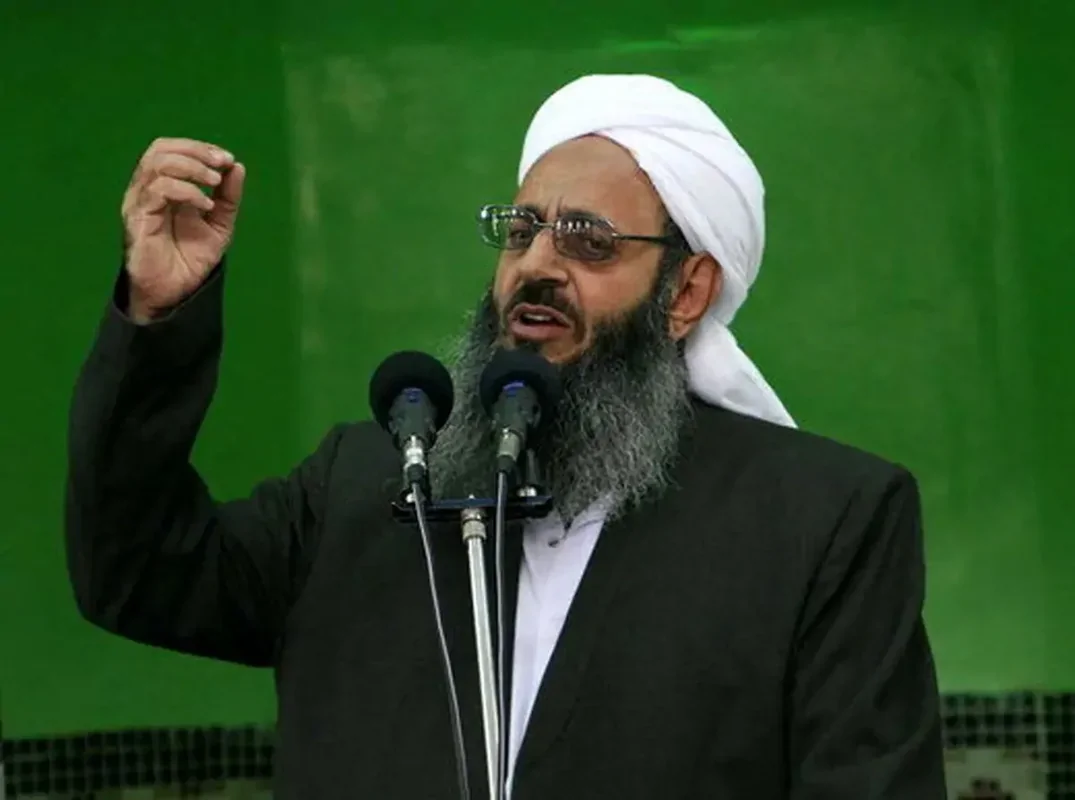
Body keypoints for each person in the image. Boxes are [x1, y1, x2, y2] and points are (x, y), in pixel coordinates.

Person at [66, 74, 947, 799]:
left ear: (685, 294)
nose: (535, 266)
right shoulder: (368, 479)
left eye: (588, 243)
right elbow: (136, 573)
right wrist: (159, 314)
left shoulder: (816, 521)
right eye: (520, 232)